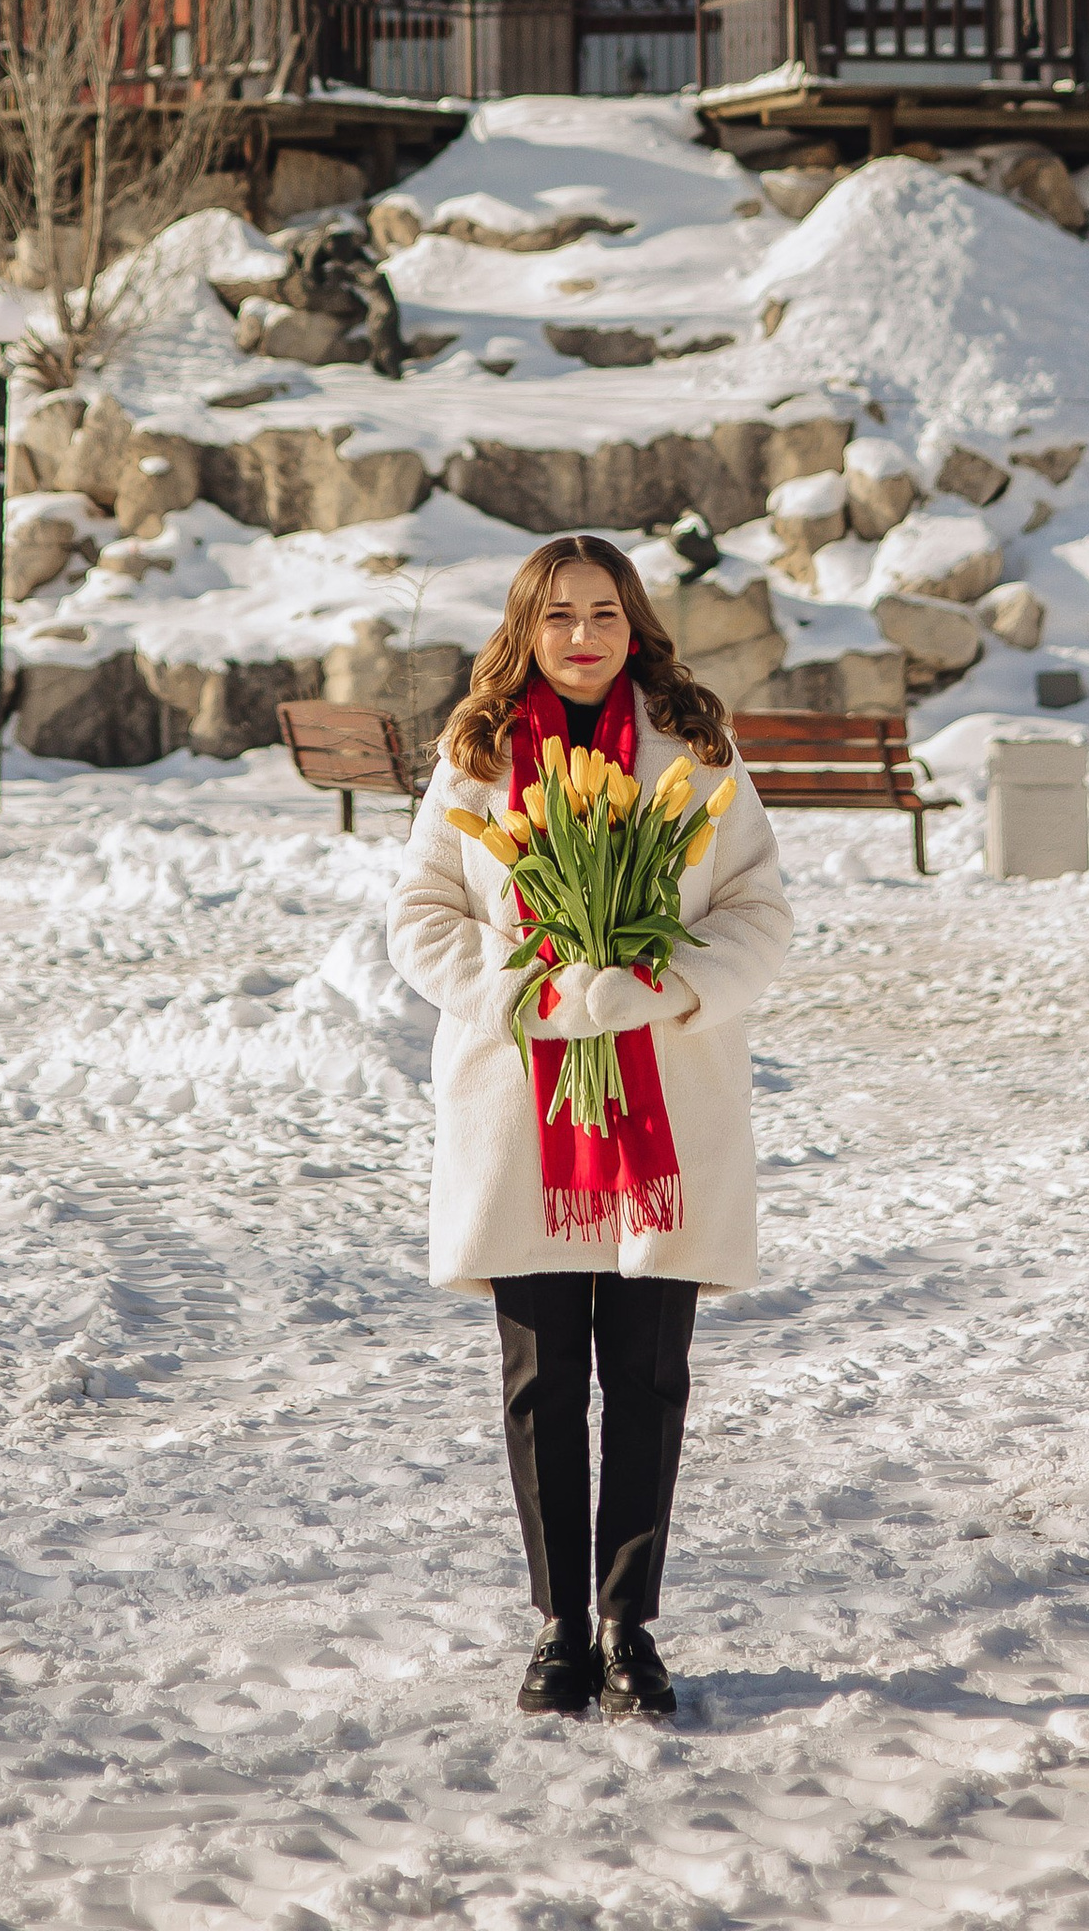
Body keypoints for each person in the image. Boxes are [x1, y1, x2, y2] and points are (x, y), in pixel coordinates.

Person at [387, 531, 792, 1722]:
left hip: (665, 1102)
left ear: (635, 622)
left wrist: (665, 985)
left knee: (650, 1377)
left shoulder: (698, 753)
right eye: (557, 615)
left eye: (603, 614)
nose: (580, 637)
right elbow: (421, 909)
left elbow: (759, 909)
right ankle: (559, 1625)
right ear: (526, 628)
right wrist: (526, 992)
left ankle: (630, 1624)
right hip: (526, 1106)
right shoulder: (478, 753)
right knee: (543, 1380)